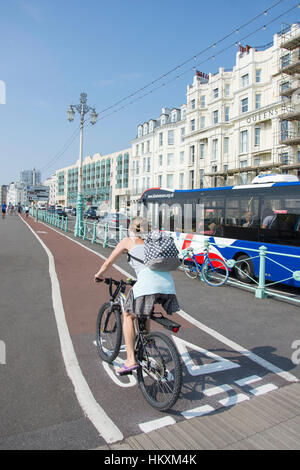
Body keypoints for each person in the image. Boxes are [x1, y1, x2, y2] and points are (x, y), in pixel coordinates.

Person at [94, 217, 180, 375]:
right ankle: (146, 343)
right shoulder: (153, 241)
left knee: (128, 315)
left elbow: (108, 263)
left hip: (147, 284)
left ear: (131, 229)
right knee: (142, 312)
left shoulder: (127, 241)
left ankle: (130, 360)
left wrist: (99, 275)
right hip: (168, 285)